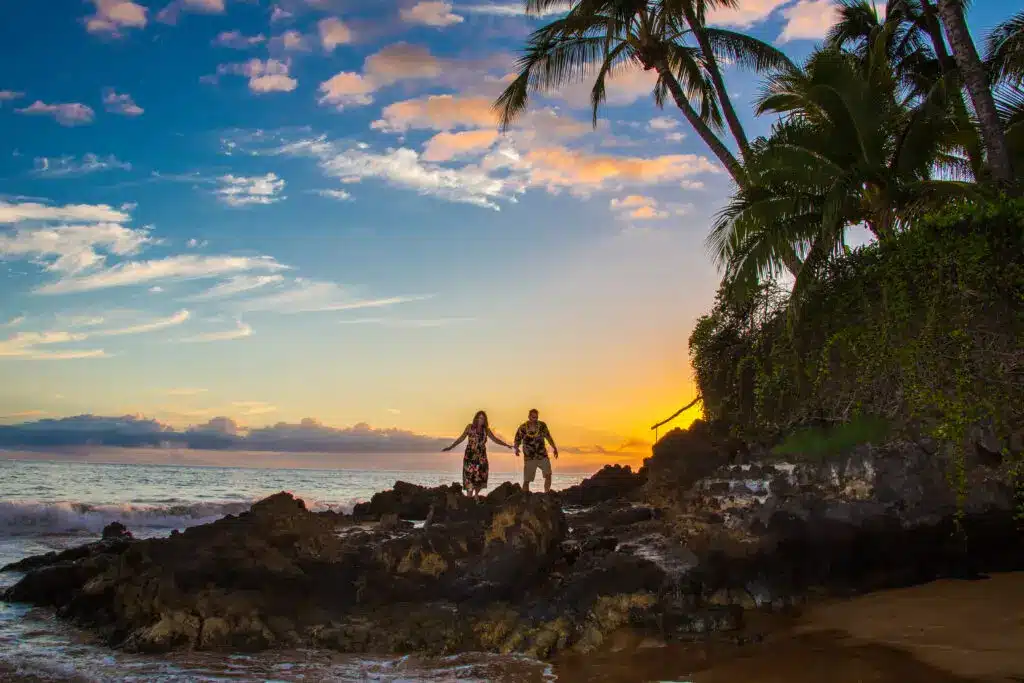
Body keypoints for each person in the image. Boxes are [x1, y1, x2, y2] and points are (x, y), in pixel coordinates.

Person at [442, 410, 513, 499]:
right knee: (469, 478)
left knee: (481, 477)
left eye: (483, 419)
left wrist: (506, 445)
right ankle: (469, 498)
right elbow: (461, 438)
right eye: (480, 418)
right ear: (476, 418)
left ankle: (476, 496)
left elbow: (495, 439)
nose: (481, 420)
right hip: (470, 457)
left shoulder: (486, 430)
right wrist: (451, 447)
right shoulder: (469, 427)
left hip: (481, 458)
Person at [514, 409, 558, 493]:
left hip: (542, 455)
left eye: (536, 417)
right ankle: (524, 496)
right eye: (533, 417)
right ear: (529, 417)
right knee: (527, 480)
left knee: (548, 474)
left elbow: (548, 437)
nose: (535, 419)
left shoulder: (542, 425)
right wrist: (516, 449)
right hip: (529, 457)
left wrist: (554, 448)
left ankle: (546, 493)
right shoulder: (523, 427)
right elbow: (517, 439)